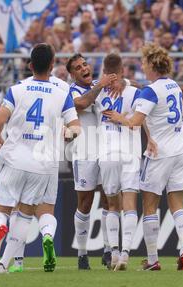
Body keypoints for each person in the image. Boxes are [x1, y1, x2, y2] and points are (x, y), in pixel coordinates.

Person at [0, 43, 80, 273]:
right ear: (52, 65)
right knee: (25, 217)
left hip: (15, 159)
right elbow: (76, 127)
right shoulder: (62, 92)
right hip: (43, 164)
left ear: (29, 65)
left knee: (1, 210)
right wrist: (68, 133)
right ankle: (3, 264)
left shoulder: (17, 89)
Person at [104, 43, 183, 271]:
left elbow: (134, 122)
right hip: (181, 149)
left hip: (159, 153)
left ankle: (152, 260)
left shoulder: (151, 91)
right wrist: (126, 84)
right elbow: (149, 101)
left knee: (150, 205)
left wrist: (117, 117)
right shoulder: (174, 86)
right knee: (177, 204)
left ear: (152, 64)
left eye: (144, 62)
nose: (141, 65)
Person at [65, 53, 117, 270]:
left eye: (84, 64)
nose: (83, 68)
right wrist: (101, 85)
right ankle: (82, 253)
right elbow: (83, 102)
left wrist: (123, 82)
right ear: (72, 74)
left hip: (105, 151)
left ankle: (107, 250)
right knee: (85, 203)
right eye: (78, 67)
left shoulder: (100, 84)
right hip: (84, 152)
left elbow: (124, 87)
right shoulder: (71, 92)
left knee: (108, 200)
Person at [94, 53, 140, 271]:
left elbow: (79, 100)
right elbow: (143, 117)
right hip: (130, 153)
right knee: (129, 203)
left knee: (112, 204)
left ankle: (113, 251)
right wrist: (127, 81)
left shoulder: (97, 90)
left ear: (104, 71)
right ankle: (125, 253)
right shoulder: (135, 91)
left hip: (107, 153)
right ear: (122, 70)